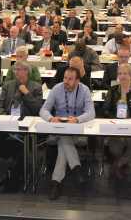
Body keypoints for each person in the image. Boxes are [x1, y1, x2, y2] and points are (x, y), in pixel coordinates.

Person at [40, 67, 95, 200]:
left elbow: (91, 112)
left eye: (70, 79)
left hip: (76, 130)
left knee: (63, 142)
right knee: (63, 136)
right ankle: (76, 169)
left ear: (77, 81)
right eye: (65, 78)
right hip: (58, 129)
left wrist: (77, 119)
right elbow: (43, 110)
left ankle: (56, 182)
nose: (66, 81)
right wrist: (51, 118)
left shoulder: (84, 90)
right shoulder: (57, 89)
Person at [0, 61, 43, 192]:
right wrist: (4, 117)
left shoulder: (36, 87)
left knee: (20, 145)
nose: (16, 72)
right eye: (15, 70)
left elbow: (37, 109)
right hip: (8, 122)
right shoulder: (8, 85)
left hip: (26, 124)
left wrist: (26, 93)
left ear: (27, 71)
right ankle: (16, 160)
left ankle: (14, 178)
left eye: (19, 69)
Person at [102, 63, 131, 179]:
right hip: (116, 127)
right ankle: (122, 164)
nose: (122, 76)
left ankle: (117, 164)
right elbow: (105, 110)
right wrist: (115, 119)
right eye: (120, 74)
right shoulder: (112, 90)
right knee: (117, 143)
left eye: (125, 74)